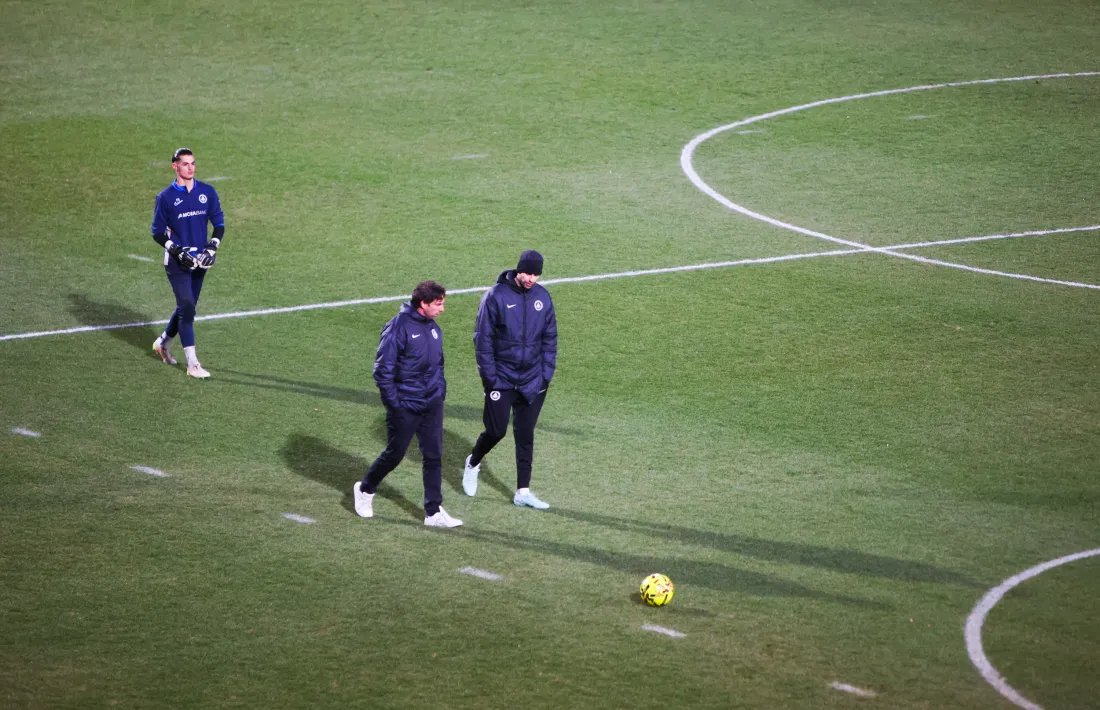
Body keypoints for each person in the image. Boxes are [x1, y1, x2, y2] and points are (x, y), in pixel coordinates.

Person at [353, 281, 462, 528]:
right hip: (406, 405)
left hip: (431, 404)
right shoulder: (398, 327)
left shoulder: (434, 328)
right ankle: (365, 489)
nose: (442, 309)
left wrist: (439, 392)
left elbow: (438, 364)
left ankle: (433, 512)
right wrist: (396, 405)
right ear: (423, 303)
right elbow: (382, 371)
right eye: (438, 304)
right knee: (395, 454)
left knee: (434, 456)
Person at [463, 250, 557, 509]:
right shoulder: (496, 296)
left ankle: (522, 491)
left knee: (525, 434)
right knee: (496, 431)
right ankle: (473, 463)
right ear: (518, 270)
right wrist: (490, 378)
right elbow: (483, 340)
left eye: (536, 275)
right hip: (502, 378)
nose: (531, 279)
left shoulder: (542, 297)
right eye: (528, 273)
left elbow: (550, 338)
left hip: (533, 379)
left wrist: (546, 375)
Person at [149, 148, 225, 378]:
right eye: (185, 164)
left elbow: (219, 224)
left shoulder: (207, 192)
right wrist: (176, 250)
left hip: (200, 262)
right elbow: (157, 232)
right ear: (175, 166)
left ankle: (163, 342)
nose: (190, 167)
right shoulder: (165, 197)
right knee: (187, 307)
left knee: (187, 307)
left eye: (192, 163)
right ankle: (193, 364)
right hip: (177, 263)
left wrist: (212, 247)